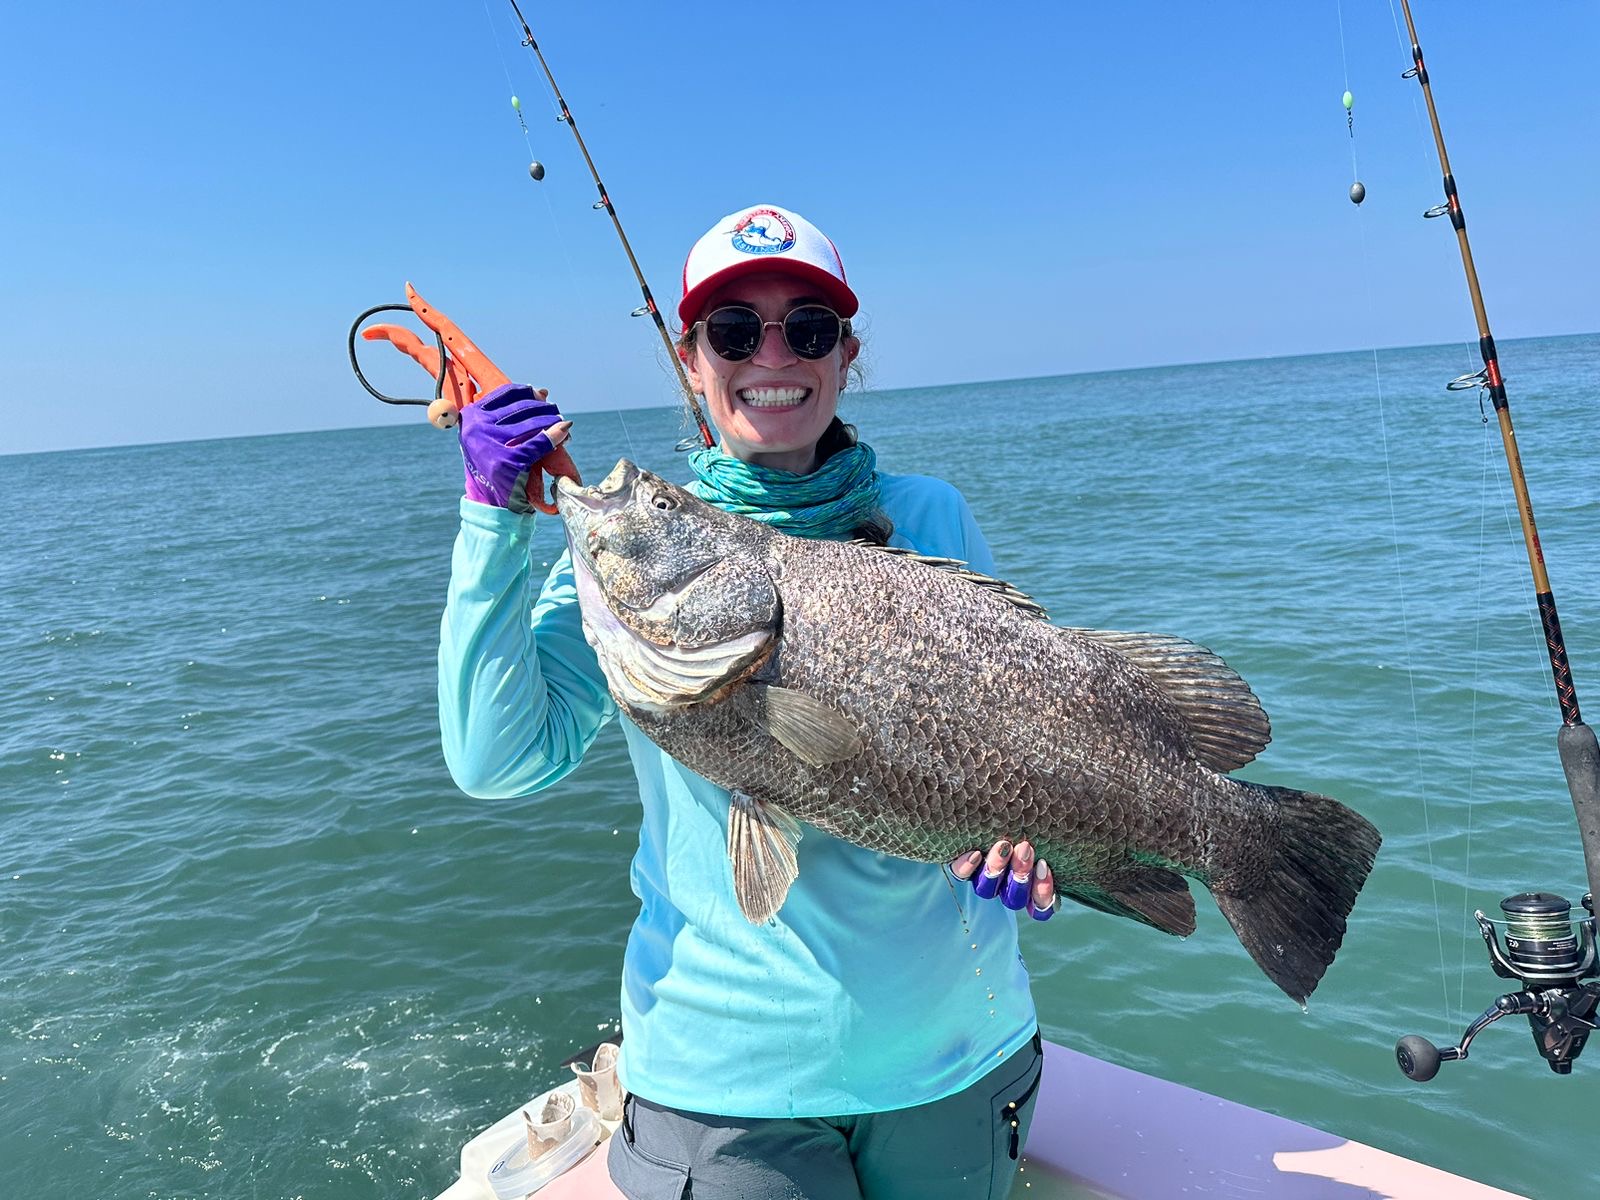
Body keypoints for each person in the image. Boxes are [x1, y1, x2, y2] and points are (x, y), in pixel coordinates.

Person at [394, 204, 1059, 1200]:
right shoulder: (627, 564)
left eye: (809, 327)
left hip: (958, 1057)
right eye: (735, 331)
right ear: (690, 358)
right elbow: (497, 761)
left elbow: (1022, 729)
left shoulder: (929, 518)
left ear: (846, 354)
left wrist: (1043, 842)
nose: (772, 355)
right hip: (725, 1087)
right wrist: (491, 520)